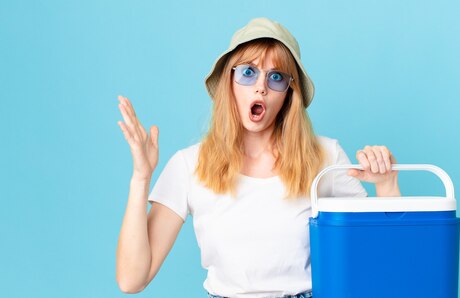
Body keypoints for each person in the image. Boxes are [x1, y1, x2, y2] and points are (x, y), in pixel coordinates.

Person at [115, 17, 401, 298]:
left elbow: (384, 258)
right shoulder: (190, 164)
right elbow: (132, 280)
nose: (261, 87)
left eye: (276, 77)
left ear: (290, 93)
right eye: (248, 72)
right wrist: (141, 176)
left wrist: (386, 185)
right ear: (230, 82)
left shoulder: (325, 156)